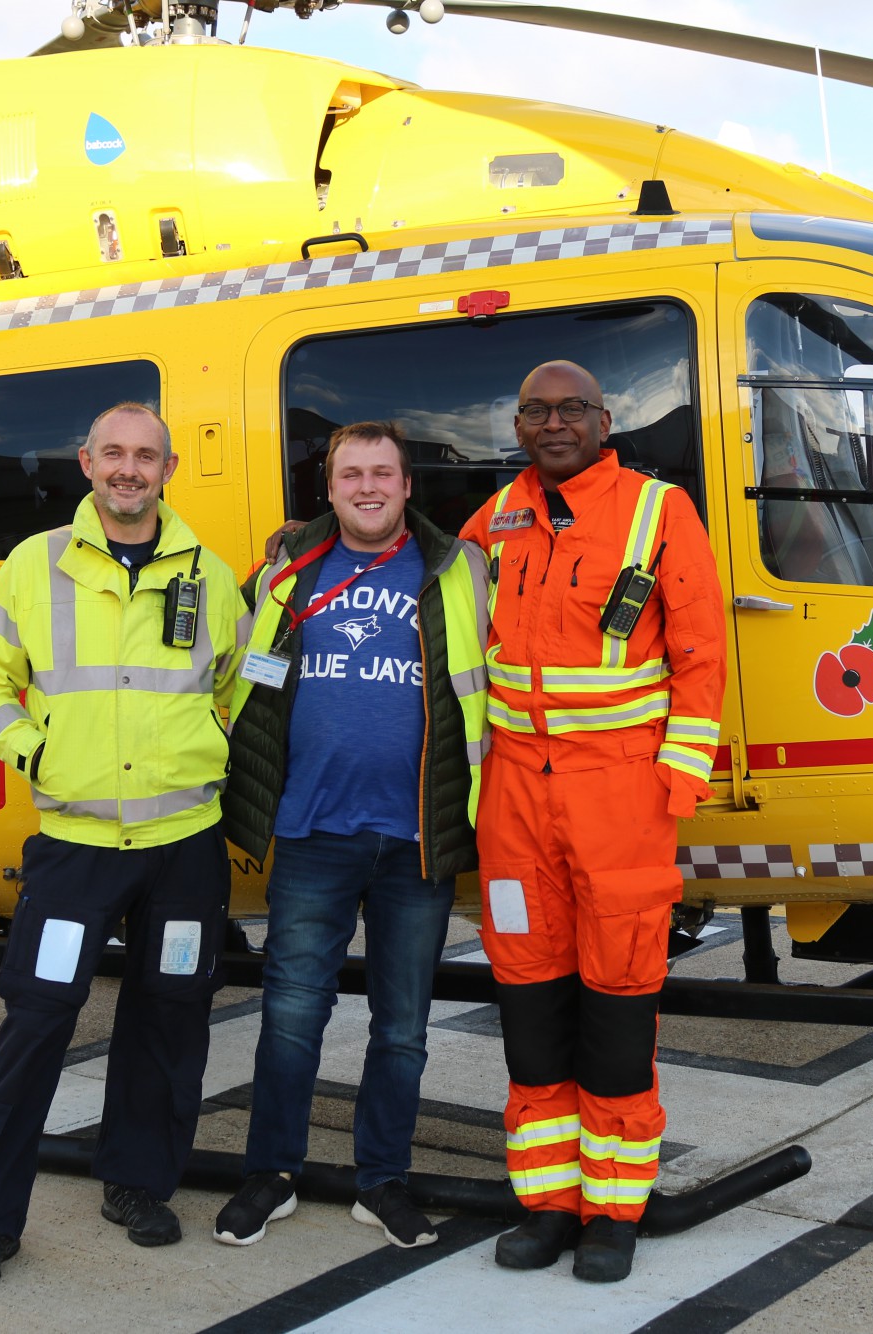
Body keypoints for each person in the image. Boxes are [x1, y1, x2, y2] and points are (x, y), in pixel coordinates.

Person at [0, 402, 248, 1289]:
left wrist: (214, 757)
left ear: (168, 467)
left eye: (144, 456)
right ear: (85, 462)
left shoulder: (212, 575)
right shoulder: (34, 566)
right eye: (112, 453)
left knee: (169, 1019)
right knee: (35, 1024)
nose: (128, 469)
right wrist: (31, 748)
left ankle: (137, 1185)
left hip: (184, 845)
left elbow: (236, 688)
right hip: (76, 848)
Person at [457, 361, 726, 1283]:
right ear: (519, 425)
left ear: (605, 421)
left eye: (573, 409)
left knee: (617, 1006)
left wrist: (675, 784)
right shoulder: (491, 522)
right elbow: (425, 587)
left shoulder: (659, 511)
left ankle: (613, 1212)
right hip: (515, 805)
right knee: (529, 1002)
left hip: (619, 798)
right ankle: (547, 1205)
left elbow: (698, 652)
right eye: (537, 410)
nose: (555, 423)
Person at [213, 422, 490, 1249]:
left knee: (402, 1027)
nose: (367, 487)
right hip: (311, 830)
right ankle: (272, 1172)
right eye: (350, 475)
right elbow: (241, 676)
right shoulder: (286, 569)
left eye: (382, 473)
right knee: (291, 1015)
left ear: (408, 487)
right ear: (328, 489)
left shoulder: (460, 570)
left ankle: (383, 1180)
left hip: (417, 840)